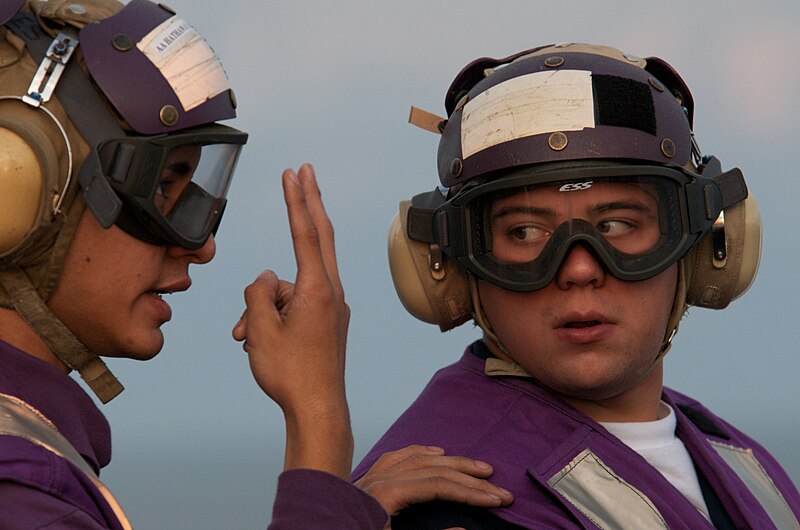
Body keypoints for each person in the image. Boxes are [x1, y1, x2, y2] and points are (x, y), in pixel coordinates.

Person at [0, 1, 512, 528]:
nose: (200, 248)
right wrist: (318, 419)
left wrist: (339, 504)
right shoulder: (19, 494)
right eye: (159, 186)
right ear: (17, 190)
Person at [353, 43, 800, 528]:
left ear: (703, 246)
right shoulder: (449, 500)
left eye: (617, 225)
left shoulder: (741, 464)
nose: (580, 269)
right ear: (452, 265)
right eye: (524, 232)